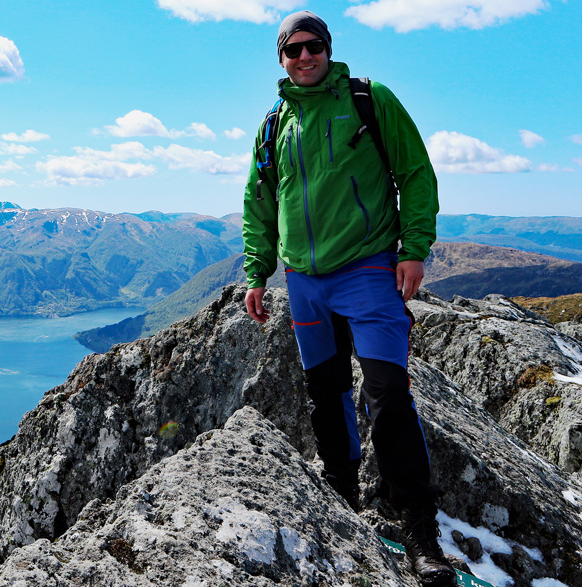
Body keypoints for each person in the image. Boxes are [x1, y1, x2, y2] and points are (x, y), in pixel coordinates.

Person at [240, 10, 453, 586]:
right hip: (304, 282)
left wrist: (414, 248)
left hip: (366, 270)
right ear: (280, 59)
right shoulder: (273, 125)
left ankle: (420, 532)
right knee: (325, 394)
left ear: (329, 50)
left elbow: (416, 172)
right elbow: (260, 203)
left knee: (387, 393)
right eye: (292, 50)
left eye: (313, 47)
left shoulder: (367, 99)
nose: (304, 57)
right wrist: (258, 273)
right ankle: (343, 494)